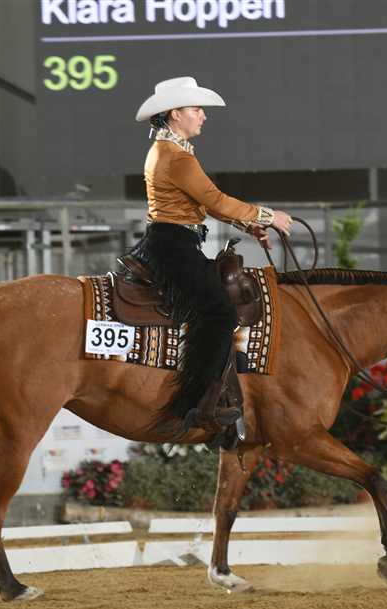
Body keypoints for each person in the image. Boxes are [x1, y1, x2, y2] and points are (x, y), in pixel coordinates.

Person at [128, 76, 293, 436]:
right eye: (196, 109)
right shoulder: (175, 157)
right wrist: (268, 216)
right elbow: (215, 200)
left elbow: (204, 204)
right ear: (175, 114)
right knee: (219, 312)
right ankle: (196, 404)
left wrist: (248, 225)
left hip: (173, 241)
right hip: (172, 246)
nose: (203, 115)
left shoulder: (171, 152)